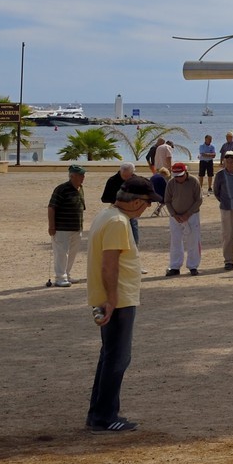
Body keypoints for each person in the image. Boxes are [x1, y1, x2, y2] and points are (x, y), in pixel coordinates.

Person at [86, 176, 154, 432]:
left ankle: (98, 413)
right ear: (136, 202)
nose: (147, 208)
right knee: (117, 358)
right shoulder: (118, 222)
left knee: (109, 356)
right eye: (147, 202)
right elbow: (109, 264)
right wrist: (112, 299)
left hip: (113, 298)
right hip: (118, 301)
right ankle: (105, 417)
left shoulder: (107, 215)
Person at [46, 164, 88, 288]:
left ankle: (66, 274)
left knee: (72, 253)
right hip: (62, 228)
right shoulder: (61, 189)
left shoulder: (80, 188)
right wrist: (51, 226)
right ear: (72, 176)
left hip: (76, 227)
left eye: (83, 175)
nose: (83, 177)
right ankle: (60, 278)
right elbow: (51, 207)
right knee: (61, 253)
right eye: (80, 175)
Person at [163, 162, 203, 276]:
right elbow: (167, 201)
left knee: (193, 240)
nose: (178, 178)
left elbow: (199, 200)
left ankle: (193, 266)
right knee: (175, 241)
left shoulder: (194, 181)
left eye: (180, 176)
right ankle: (175, 266)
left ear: (185, 172)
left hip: (192, 215)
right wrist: (173, 214)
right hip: (175, 217)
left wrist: (188, 214)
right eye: (176, 176)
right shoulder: (171, 183)